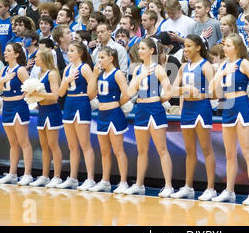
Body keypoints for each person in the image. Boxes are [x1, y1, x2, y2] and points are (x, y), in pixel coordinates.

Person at [209, 33, 249, 205]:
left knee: (247, 151)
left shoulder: (244, 63)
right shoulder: (224, 65)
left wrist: (247, 100)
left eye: (229, 45)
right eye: (224, 45)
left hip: (240, 105)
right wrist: (221, 72)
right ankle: (229, 191)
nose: (225, 48)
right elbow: (212, 90)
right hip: (226, 105)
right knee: (229, 153)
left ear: (238, 47)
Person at [124, 38, 174, 197]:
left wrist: (159, 100)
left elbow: (169, 91)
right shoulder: (138, 70)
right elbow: (129, 92)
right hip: (141, 109)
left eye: (143, 48)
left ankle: (168, 186)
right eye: (139, 48)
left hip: (154, 109)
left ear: (152, 51)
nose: (139, 51)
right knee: (141, 150)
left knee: (162, 149)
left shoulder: (158, 68)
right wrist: (141, 76)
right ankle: (139, 184)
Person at [170, 34, 217, 200]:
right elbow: (171, 90)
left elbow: (216, 92)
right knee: (189, 151)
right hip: (187, 109)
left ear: (198, 47)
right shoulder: (183, 67)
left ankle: (211, 188)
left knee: (206, 149)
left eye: (189, 46)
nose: (186, 49)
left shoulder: (206, 66)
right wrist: (186, 89)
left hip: (201, 108)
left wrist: (200, 93)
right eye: (185, 46)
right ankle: (188, 187)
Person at [87, 46, 130, 193]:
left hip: (114, 115)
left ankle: (123, 182)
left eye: (102, 57)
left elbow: (127, 93)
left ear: (111, 58)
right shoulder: (99, 74)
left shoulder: (117, 74)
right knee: (104, 151)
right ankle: (105, 181)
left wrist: (117, 104)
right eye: (98, 58)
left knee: (118, 150)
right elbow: (90, 95)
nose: (99, 61)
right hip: (102, 115)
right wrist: (93, 75)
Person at [0, 43, 33, 185]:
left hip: (18, 107)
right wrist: (2, 80)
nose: (5, 53)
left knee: (24, 142)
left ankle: (27, 174)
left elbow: (31, 88)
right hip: (6, 106)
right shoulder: (4, 69)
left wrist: (22, 98)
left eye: (9, 50)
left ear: (16, 54)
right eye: (5, 50)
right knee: (13, 143)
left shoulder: (20, 70)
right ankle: (12, 173)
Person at [57, 41, 95, 190]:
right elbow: (60, 93)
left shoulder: (85, 67)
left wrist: (84, 99)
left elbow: (93, 90)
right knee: (72, 146)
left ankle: (90, 179)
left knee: (85, 145)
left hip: (81, 103)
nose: (68, 52)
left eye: (72, 50)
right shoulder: (67, 68)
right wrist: (66, 81)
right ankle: (73, 178)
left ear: (80, 53)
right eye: (69, 50)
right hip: (68, 104)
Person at [27, 48, 63, 188]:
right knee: (44, 146)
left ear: (45, 58)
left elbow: (55, 95)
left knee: (53, 145)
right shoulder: (40, 73)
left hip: (52, 111)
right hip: (42, 110)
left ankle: (57, 176)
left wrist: (37, 93)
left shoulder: (52, 73)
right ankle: (45, 175)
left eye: (37, 57)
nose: (34, 59)